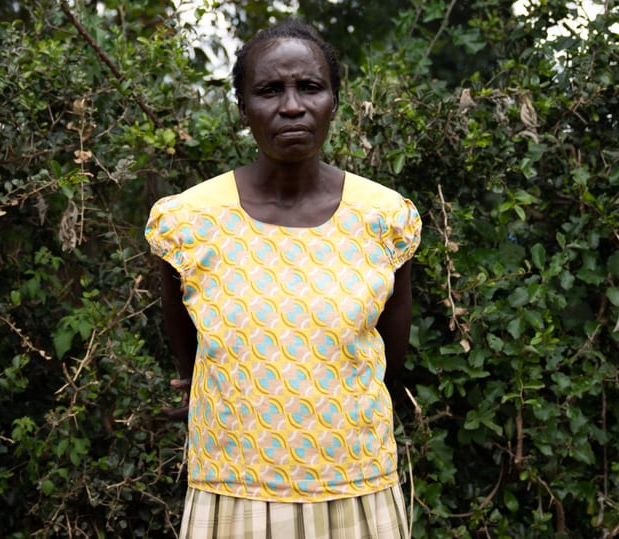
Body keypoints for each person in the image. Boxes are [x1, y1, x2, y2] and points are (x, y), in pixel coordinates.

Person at [145, 18, 421, 539]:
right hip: (233, 483)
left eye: (310, 87)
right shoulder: (190, 221)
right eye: (269, 90)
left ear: (333, 101)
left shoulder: (384, 218)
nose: (291, 106)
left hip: (354, 481)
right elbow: (188, 341)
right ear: (243, 107)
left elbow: (390, 357)